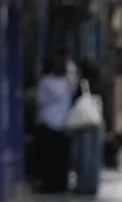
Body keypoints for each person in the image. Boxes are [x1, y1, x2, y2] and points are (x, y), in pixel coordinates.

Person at [35, 57, 72, 193]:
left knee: (48, 158)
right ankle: (61, 184)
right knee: (60, 158)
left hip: (48, 122)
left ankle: (48, 184)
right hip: (62, 122)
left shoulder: (44, 82)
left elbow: (40, 100)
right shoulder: (65, 83)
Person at [71, 57, 105, 195]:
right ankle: (92, 184)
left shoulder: (83, 85)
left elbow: (75, 100)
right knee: (94, 155)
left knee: (83, 156)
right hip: (96, 123)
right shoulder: (99, 84)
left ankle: (84, 185)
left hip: (84, 124)